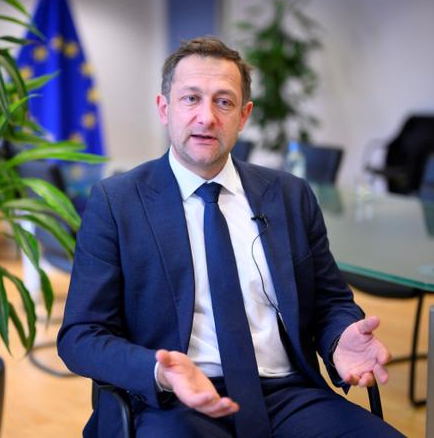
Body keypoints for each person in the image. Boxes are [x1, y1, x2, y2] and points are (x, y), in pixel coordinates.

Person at [57, 36, 403, 437]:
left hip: (288, 395)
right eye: (191, 99)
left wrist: (339, 339)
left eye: (223, 102)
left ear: (243, 115)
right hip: (173, 403)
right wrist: (160, 372)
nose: (206, 117)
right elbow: (81, 335)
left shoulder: (290, 195)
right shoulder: (117, 202)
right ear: (164, 108)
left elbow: (330, 302)